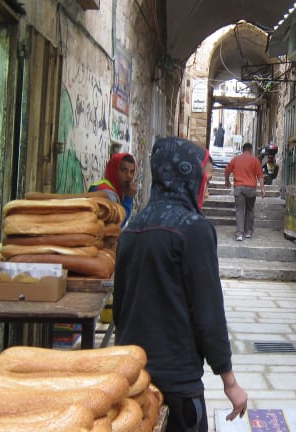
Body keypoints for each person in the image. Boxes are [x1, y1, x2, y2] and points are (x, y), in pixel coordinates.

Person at [113, 137, 248, 431]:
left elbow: (119, 307)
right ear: (186, 177)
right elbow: (208, 312)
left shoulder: (132, 229)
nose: (207, 191)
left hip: (131, 375)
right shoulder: (194, 230)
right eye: (205, 181)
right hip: (176, 379)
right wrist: (230, 381)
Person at [224, 142, 266, 241]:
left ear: (243, 150)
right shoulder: (255, 160)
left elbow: (227, 171)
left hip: (239, 188)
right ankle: (248, 232)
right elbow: (260, 176)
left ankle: (239, 234)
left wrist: (227, 181)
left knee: (239, 210)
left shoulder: (235, 159)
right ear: (250, 150)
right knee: (250, 210)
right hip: (251, 189)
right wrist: (262, 189)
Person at [88, 152, 137, 227]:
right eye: (124, 170)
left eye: (132, 172)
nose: (129, 176)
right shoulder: (107, 193)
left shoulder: (112, 187)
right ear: (114, 171)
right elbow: (116, 224)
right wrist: (129, 198)